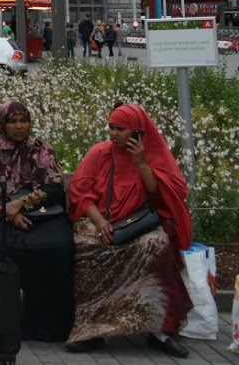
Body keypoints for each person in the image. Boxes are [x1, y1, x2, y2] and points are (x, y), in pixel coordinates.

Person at [64, 104, 193, 356]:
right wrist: (99, 221)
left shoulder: (153, 157)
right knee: (88, 245)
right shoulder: (99, 153)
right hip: (98, 219)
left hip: (137, 222)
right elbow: (81, 191)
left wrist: (142, 163)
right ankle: (94, 330)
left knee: (157, 246)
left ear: (137, 132)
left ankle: (159, 331)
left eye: (120, 129)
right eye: (111, 128)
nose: (113, 134)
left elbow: (160, 198)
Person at [0, 100, 74, 342]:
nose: (19, 126)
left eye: (23, 121)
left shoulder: (41, 149)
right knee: (8, 247)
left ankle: (53, 327)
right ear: (2, 124)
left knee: (61, 246)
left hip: (44, 213)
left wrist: (21, 204)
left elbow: (54, 188)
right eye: (13, 122)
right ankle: (11, 322)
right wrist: (9, 213)